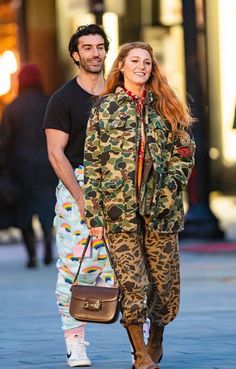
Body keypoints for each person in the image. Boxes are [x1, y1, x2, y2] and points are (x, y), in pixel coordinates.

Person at [84, 42, 196, 369]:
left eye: (147, 61)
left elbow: (185, 153)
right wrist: (94, 214)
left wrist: (171, 186)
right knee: (134, 285)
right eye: (135, 60)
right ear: (120, 66)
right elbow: (92, 166)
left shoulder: (167, 106)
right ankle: (139, 354)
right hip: (119, 215)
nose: (142, 66)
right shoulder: (105, 109)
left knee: (164, 288)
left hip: (161, 213)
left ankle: (156, 338)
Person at [43, 24, 113, 368]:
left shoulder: (118, 93)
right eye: (87, 47)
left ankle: (139, 344)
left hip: (119, 189)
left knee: (128, 268)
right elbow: (56, 154)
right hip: (78, 187)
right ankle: (76, 344)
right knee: (77, 267)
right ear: (76, 55)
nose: (95, 53)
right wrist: (81, 197)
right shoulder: (63, 99)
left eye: (100, 46)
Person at [0, 63, 57, 267]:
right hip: (48, 164)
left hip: (21, 167)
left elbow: (4, 142)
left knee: (25, 211)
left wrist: (4, 167)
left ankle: (32, 254)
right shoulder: (50, 102)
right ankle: (49, 245)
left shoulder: (12, 108)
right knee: (46, 207)